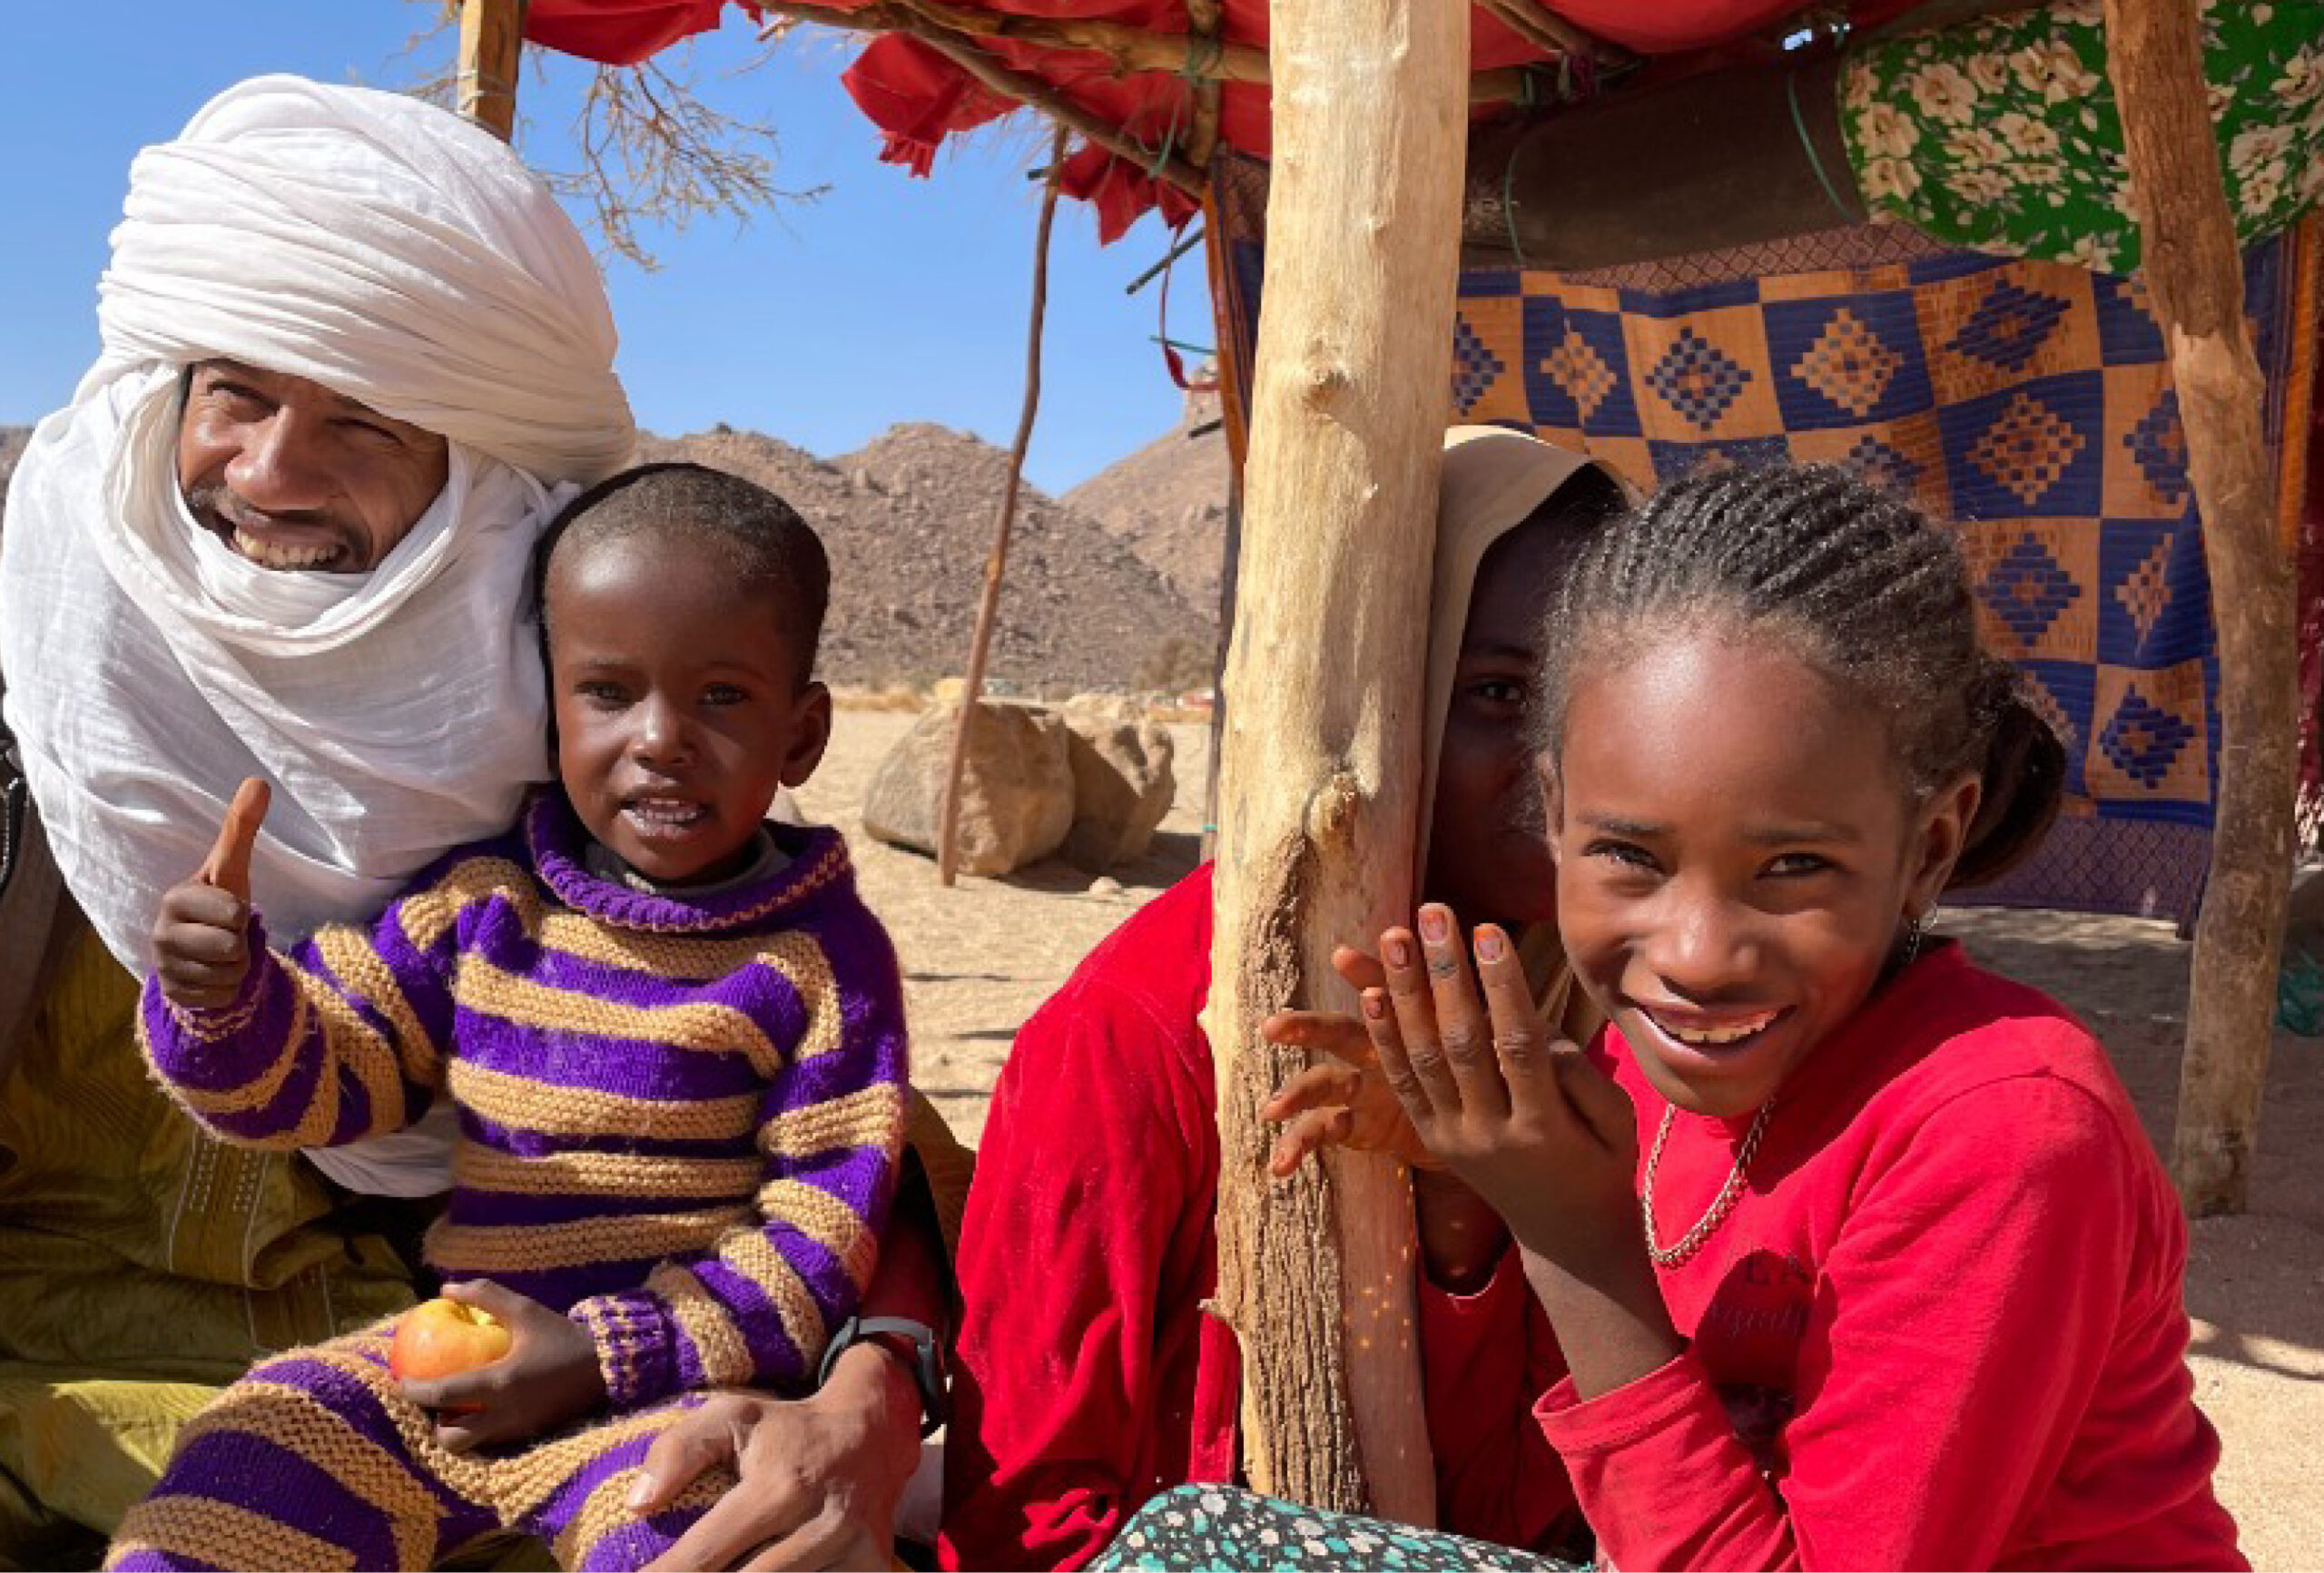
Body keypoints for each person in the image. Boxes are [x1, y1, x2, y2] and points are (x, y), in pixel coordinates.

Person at [0, 77, 959, 1563]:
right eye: (233, 392)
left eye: (365, 421)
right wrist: (222, 998)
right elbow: (316, 1056)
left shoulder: (576, 768)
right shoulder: (62, 686)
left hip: (592, 1393)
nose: (267, 476)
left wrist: (869, 1375)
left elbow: (839, 1175)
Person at [1265, 463, 2242, 1568]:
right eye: (1630, 854)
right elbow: (1538, 1489)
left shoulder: (2005, 1134)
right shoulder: (1645, 1073)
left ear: (1927, 848)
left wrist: (1577, 1241)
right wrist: (1469, 1176)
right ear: (1551, 813)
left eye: (1790, 866)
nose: (1696, 957)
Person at [111, 465, 906, 1570]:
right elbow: (323, 1082)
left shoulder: (822, 966)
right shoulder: (483, 909)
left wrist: (596, 1355)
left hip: (675, 1399)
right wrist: (223, 997)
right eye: (609, 691)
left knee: (701, 1543)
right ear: (547, 708)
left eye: (721, 696)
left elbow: (819, 1238)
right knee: (235, 1469)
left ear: (802, 733)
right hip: (448, 1367)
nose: (662, 737)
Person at [931, 428, 1628, 1572]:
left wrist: (1475, 1195)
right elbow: (1025, 1507)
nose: (1567, 766)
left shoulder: (1613, 1006)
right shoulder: (1151, 1030)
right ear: (1383, 694)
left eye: (1605, 703)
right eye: (1499, 693)